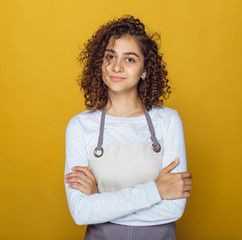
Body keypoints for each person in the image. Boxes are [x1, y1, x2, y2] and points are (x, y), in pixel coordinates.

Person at [64, 15, 192, 240]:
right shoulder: (80, 126)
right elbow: (81, 213)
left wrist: (100, 201)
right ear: (100, 63)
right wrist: (156, 191)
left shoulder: (168, 121)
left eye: (130, 59)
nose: (116, 66)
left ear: (145, 70)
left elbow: (174, 209)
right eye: (110, 56)